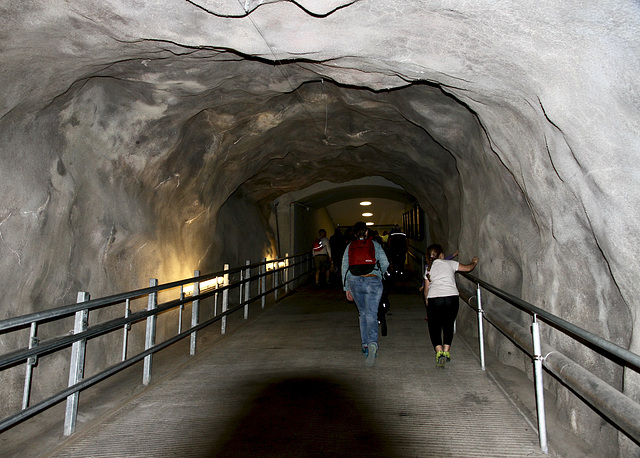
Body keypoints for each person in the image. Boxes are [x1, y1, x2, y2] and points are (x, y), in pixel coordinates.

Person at [342, 222, 389, 367]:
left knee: (362, 313)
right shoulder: (375, 245)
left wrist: (346, 288)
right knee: (371, 314)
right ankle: (373, 343)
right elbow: (385, 262)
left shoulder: (350, 246)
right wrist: (380, 274)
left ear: (354, 234)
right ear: (367, 232)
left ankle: (365, 346)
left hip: (354, 281)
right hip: (373, 280)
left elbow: (345, 266)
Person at [423, 244, 478, 368]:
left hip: (435, 298)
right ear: (442, 255)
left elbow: (426, 288)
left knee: (434, 327)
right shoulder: (450, 264)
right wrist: (474, 262)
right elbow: (468, 268)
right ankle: (447, 351)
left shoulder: (428, 269)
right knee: (448, 324)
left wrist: (427, 301)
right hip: (451, 298)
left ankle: (439, 352)